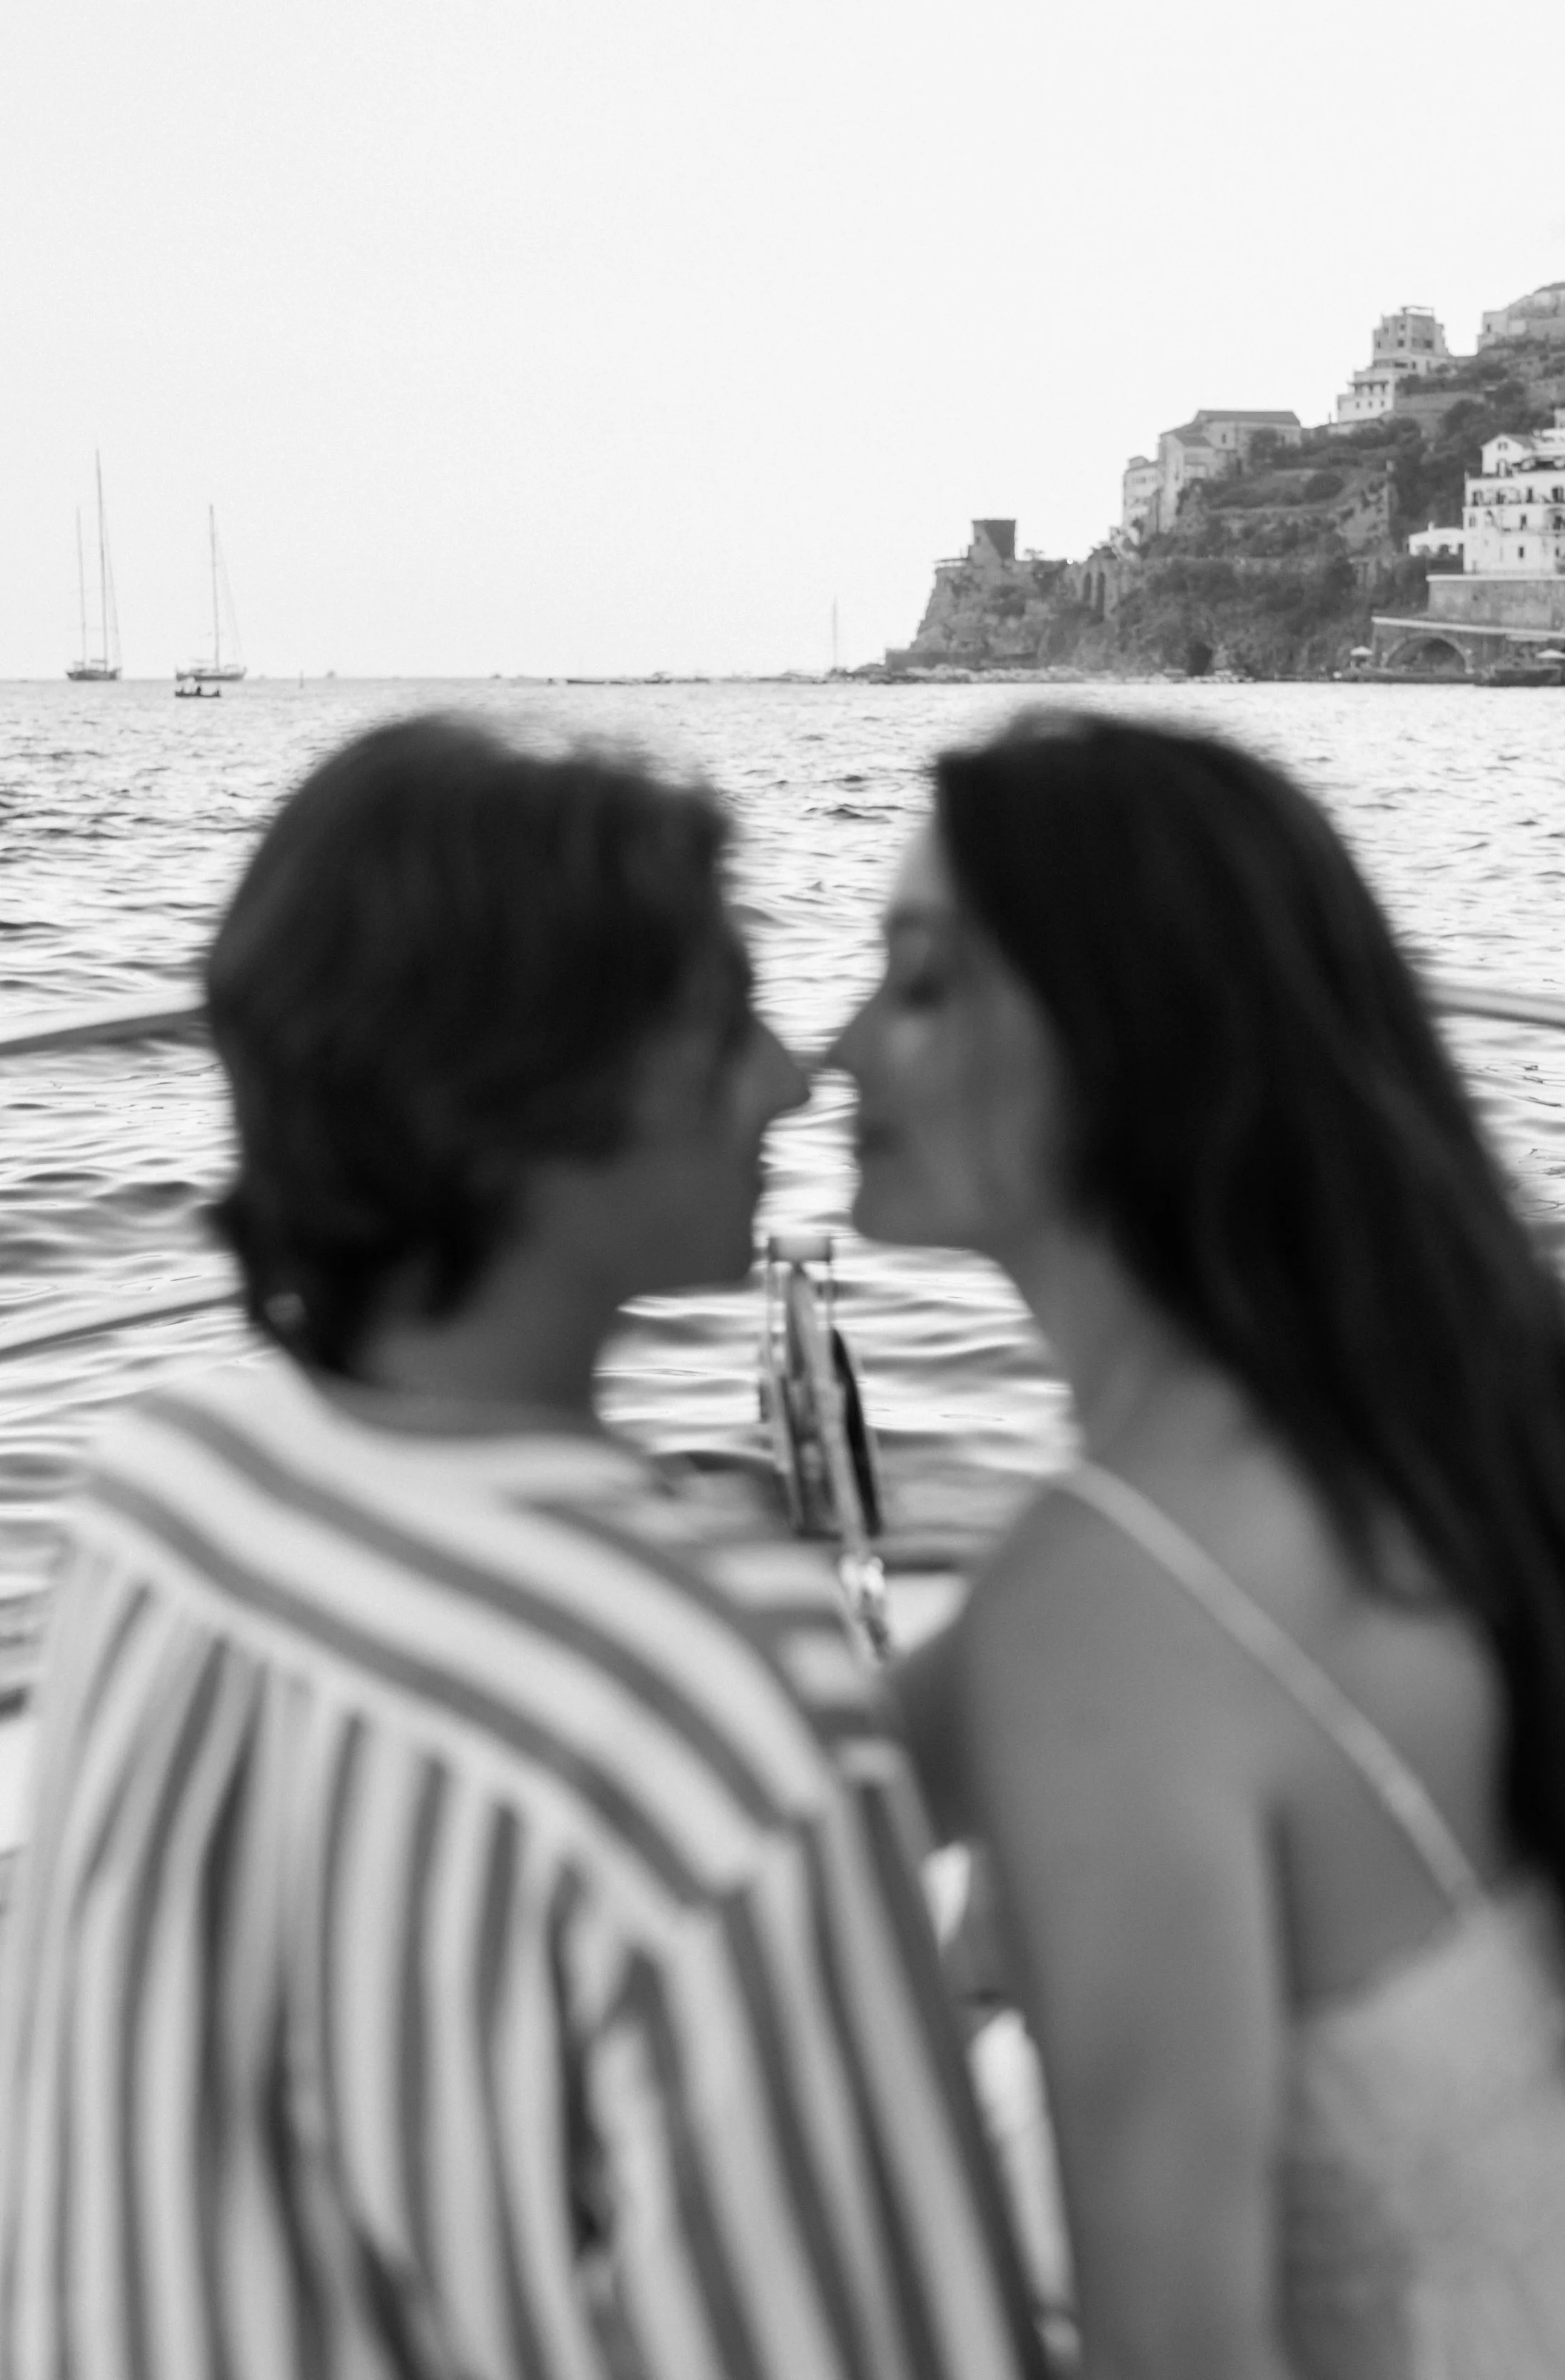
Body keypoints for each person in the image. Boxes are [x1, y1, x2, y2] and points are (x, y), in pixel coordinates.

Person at [0, 717, 1047, 2380]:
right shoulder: (707, 1686)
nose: (789, 1077)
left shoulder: (158, 1494)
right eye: (722, 1022)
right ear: (526, 1103)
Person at [829, 710, 1565, 2380]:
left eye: (922, 984)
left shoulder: (1107, 1603)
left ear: (1126, 1045)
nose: (840, 1047)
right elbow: (802, 1797)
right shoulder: (1477, 1417)